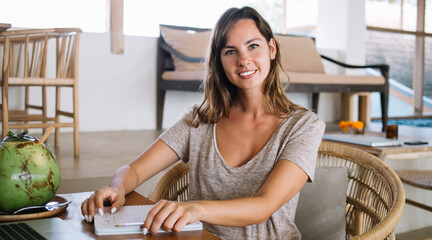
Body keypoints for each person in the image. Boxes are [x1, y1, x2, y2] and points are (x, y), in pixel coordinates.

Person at [81, 6, 325, 240]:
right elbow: (133, 170)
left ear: (272, 48)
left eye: (253, 46)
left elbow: (264, 205)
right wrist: (116, 189)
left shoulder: (304, 126)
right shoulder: (199, 120)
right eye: (231, 51)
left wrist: (193, 209)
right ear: (219, 61)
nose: (244, 60)